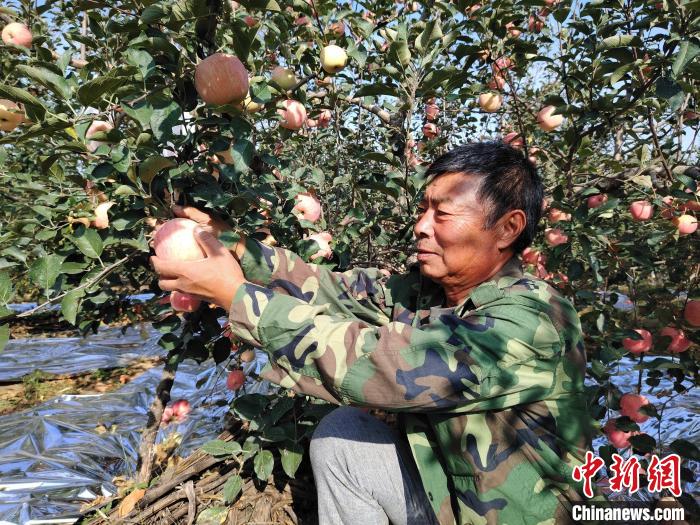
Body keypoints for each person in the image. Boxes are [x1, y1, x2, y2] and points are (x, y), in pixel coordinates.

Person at [151, 141, 598, 525]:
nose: (421, 225)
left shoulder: (530, 322)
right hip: (447, 495)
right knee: (343, 435)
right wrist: (232, 247)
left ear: (508, 228)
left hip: (517, 515)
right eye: (423, 208)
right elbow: (326, 291)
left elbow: (390, 369)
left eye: (442, 213)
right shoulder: (428, 291)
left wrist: (239, 299)